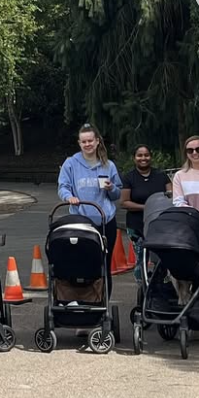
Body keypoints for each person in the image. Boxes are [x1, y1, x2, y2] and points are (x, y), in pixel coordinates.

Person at [57, 123, 121, 288]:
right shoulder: (71, 163)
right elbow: (63, 186)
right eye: (84, 142)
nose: (88, 145)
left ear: (97, 141)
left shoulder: (109, 165)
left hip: (105, 221)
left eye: (90, 141)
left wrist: (111, 187)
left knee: (104, 263)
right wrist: (69, 197)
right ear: (79, 143)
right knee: (81, 262)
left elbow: (117, 194)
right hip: (81, 222)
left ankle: (104, 300)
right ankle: (82, 296)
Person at [119, 145, 172, 280]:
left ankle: (161, 285)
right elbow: (124, 202)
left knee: (162, 259)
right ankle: (142, 289)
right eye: (140, 155)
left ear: (151, 157)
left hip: (160, 224)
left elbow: (172, 197)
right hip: (137, 225)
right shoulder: (129, 177)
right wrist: (147, 207)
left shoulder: (161, 176)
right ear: (134, 158)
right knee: (140, 259)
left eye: (146, 155)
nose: (143, 158)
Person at [171, 136, 199, 211]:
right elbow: (178, 202)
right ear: (186, 153)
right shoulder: (179, 176)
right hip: (192, 219)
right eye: (190, 150)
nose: (195, 153)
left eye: (198, 149)